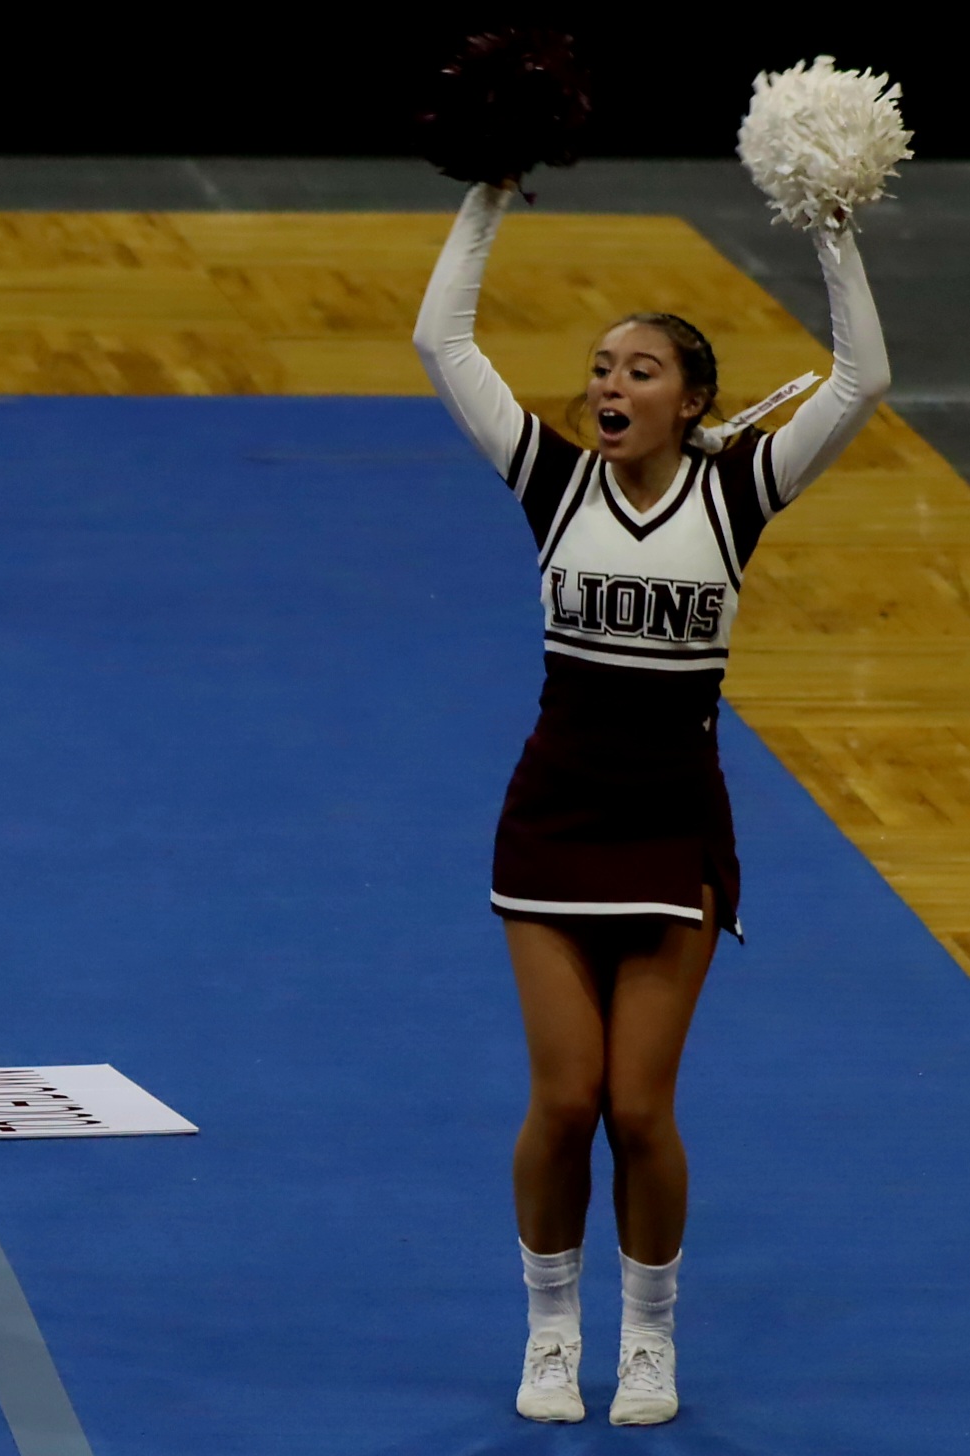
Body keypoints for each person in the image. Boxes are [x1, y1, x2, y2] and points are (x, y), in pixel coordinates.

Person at [413, 184, 888, 1424]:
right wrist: (487, 192)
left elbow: (862, 379)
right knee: (565, 1099)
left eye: (639, 369)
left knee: (637, 1105)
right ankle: (551, 1332)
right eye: (600, 368)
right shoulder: (553, 483)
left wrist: (830, 221)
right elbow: (441, 343)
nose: (609, 385)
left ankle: (650, 1339)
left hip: (674, 833)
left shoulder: (736, 498)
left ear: (692, 400)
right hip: (552, 825)